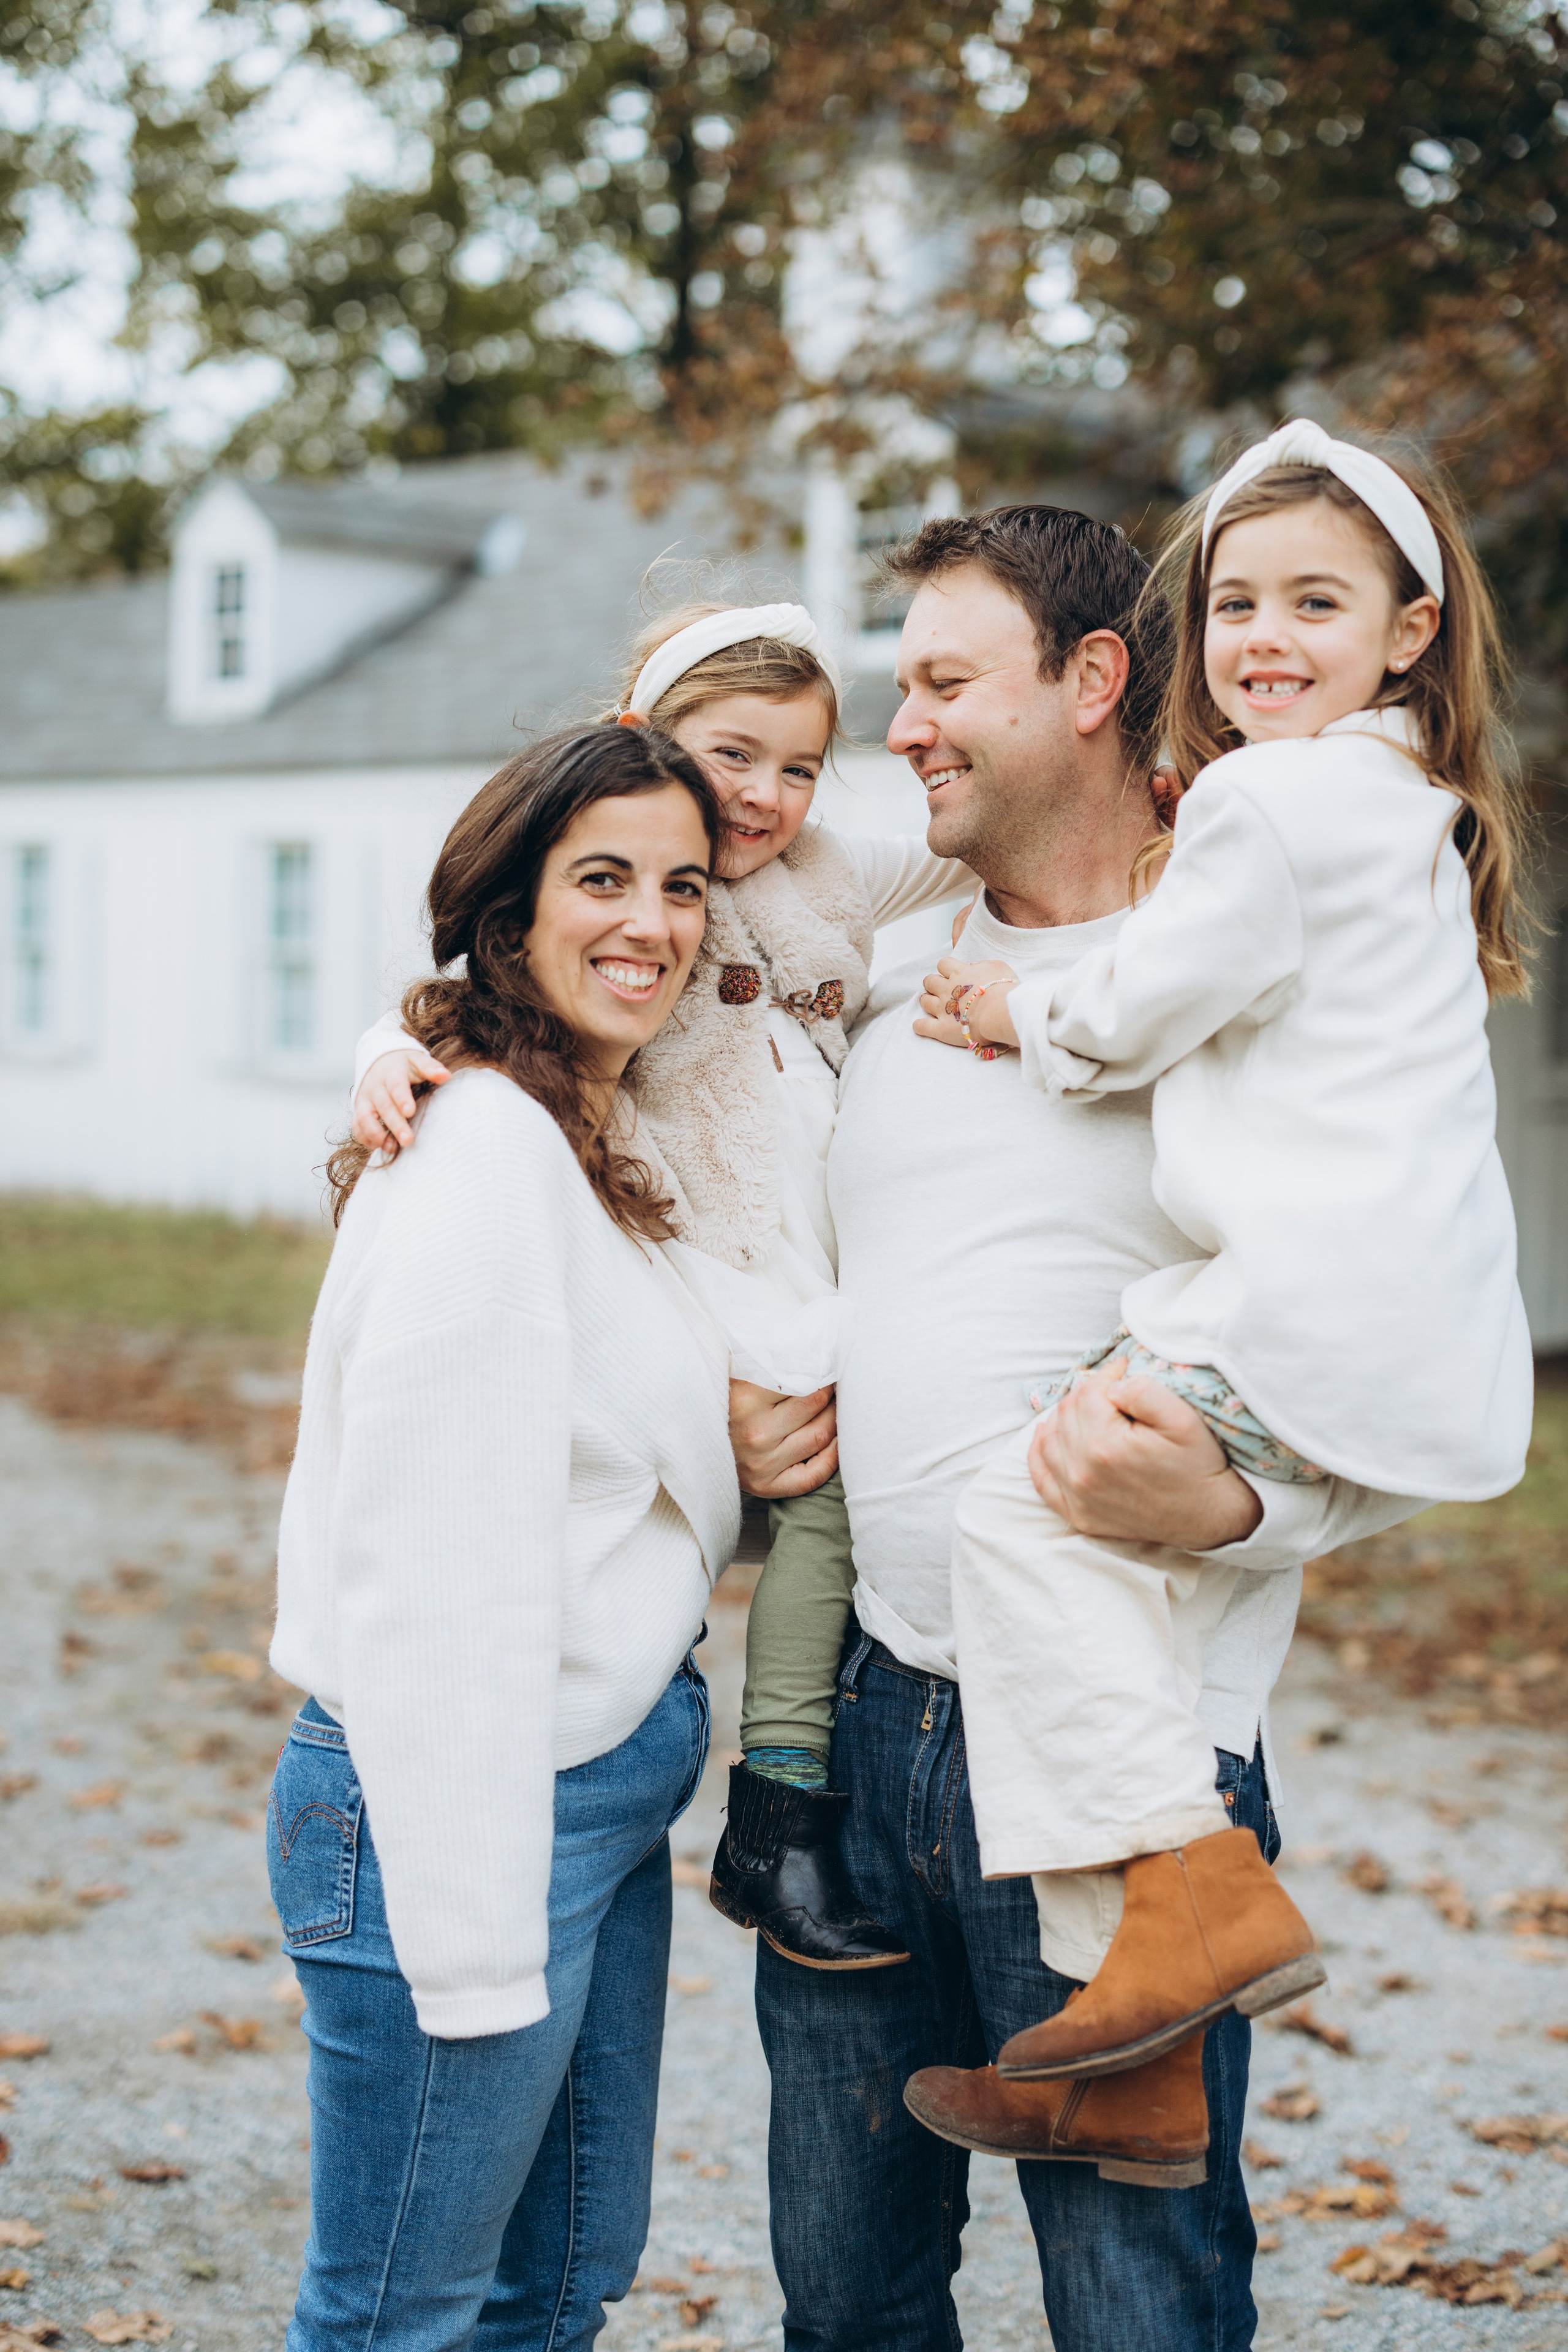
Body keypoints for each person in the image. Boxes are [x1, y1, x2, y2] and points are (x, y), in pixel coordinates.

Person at [727, 503, 1436, 2350]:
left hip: (1128, 1756)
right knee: (848, 2303)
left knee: (1140, 2311)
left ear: (1096, 681)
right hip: (861, 1732)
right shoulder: (879, 976)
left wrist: (1235, 1515)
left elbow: (1386, 1337)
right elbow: (578, 983)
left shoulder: (1266, 990)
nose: (907, 727)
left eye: (949, 681)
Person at [910, 423, 1534, 2102]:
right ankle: (1133, 2045)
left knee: (1019, 1511)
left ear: (1410, 629)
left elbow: (1144, 1002)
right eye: (1237, 600)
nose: (1264, 637)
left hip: (1294, 1309)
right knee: (1130, 1591)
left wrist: (1009, 1006)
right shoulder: (1409, 803)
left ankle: (1191, 1895)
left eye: (1315, 603)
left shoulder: (1274, 796)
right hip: (1409, 1329)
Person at [350, 597, 973, 1972]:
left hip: (800, 1225)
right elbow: (470, 968)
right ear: (645, 738)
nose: (764, 795)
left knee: (842, 1470)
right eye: (731, 755)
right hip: (694, 1225)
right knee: (822, 1473)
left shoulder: (818, 873)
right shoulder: (624, 891)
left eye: (801, 767)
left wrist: (1166, 794)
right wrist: (374, 1056)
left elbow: (961, 848)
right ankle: (779, 1799)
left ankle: (762, 1777)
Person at [267, 723, 741, 2350]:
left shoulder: (586, 1137)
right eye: (602, 878)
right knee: (402, 2312)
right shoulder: (483, 1154)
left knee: (553, 2289)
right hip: (458, 1809)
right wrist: (468, 1949)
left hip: (587, 1788)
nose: (653, 922)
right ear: (509, 915)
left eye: (684, 884)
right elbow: (429, 1576)